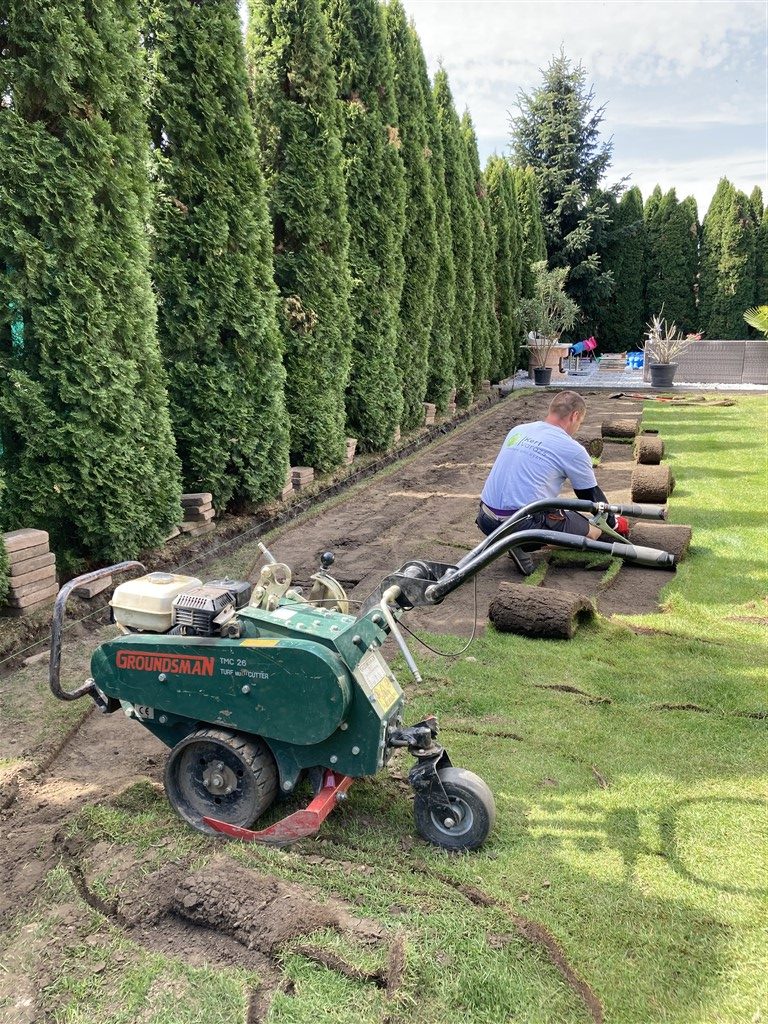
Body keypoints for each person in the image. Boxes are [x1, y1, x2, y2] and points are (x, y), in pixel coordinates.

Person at [476, 391, 628, 574]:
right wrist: (613, 523)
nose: (577, 427)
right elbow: (590, 498)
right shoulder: (572, 449)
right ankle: (518, 542)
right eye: (580, 422)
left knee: (558, 512)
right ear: (575, 416)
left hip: (486, 519)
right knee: (594, 531)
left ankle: (511, 539)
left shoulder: (518, 431)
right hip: (521, 525)